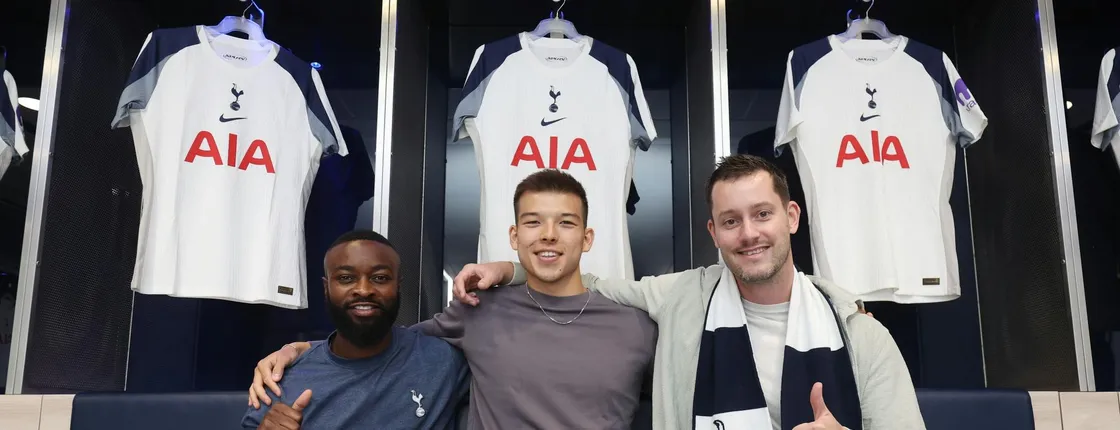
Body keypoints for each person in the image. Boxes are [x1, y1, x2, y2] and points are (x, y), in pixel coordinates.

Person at [455, 155, 925, 430]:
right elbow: (586, 282)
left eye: (762, 214)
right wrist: (507, 269)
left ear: (792, 218)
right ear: (714, 232)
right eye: (730, 221)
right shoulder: (680, 297)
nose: (748, 234)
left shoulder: (860, 335)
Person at [248, 170, 658, 429]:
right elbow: (378, 340)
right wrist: (300, 350)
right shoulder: (478, 311)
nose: (549, 234)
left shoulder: (636, 327)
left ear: (586, 238)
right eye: (533, 222)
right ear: (515, 237)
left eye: (565, 223)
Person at [242, 230, 469, 429]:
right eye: (346, 278)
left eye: (379, 278)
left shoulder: (442, 360)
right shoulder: (282, 378)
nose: (363, 289)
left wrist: (506, 269)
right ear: (326, 287)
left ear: (397, 286)